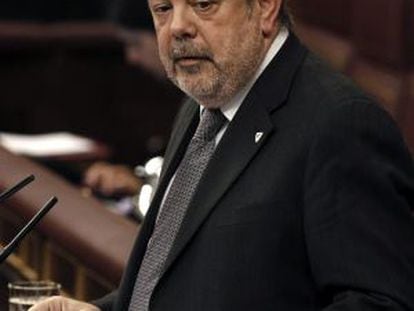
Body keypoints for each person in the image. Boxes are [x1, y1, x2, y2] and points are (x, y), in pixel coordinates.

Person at [30, 0, 414, 310]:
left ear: (265, 8)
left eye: (203, 4)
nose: (177, 26)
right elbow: (190, 284)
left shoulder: (340, 124)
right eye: (163, 9)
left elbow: (380, 302)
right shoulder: (202, 103)